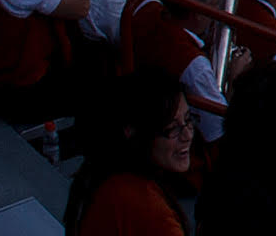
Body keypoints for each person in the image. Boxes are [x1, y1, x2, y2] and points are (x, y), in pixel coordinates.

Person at [66, 69, 196, 236]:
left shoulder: (101, 172)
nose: (187, 135)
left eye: (188, 120)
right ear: (133, 132)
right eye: (172, 128)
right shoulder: (149, 211)